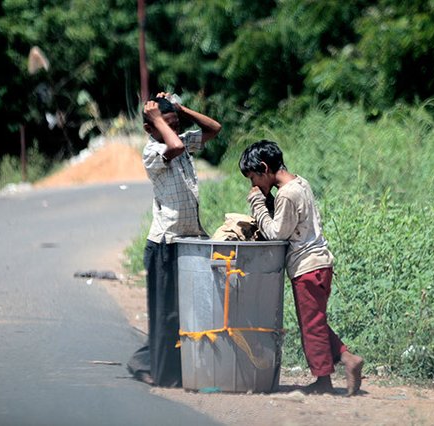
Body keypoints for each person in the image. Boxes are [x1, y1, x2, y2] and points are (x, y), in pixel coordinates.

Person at [239, 140, 364, 396]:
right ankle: (346, 357)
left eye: (253, 178)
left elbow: (276, 232)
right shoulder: (300, 183)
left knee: (312, 326)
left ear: (264, 168)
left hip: (307, 267)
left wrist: (258, 205)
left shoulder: (286, 194)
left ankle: (323, 380)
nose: (253, 185)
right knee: (314, 322)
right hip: (319, 264)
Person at [127, 92, 222, 387]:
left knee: (187, 312)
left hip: (189, 242)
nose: (176, 129)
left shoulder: (177, 141)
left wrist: (180, 109)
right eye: (168, 125)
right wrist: (156, 117)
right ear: (150, 129)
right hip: (165, 245)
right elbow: (176, 145)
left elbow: (214, 129)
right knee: (166, 314)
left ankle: (166, 366)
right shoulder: (153, 151)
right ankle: (153, 368)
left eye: (177, 124)